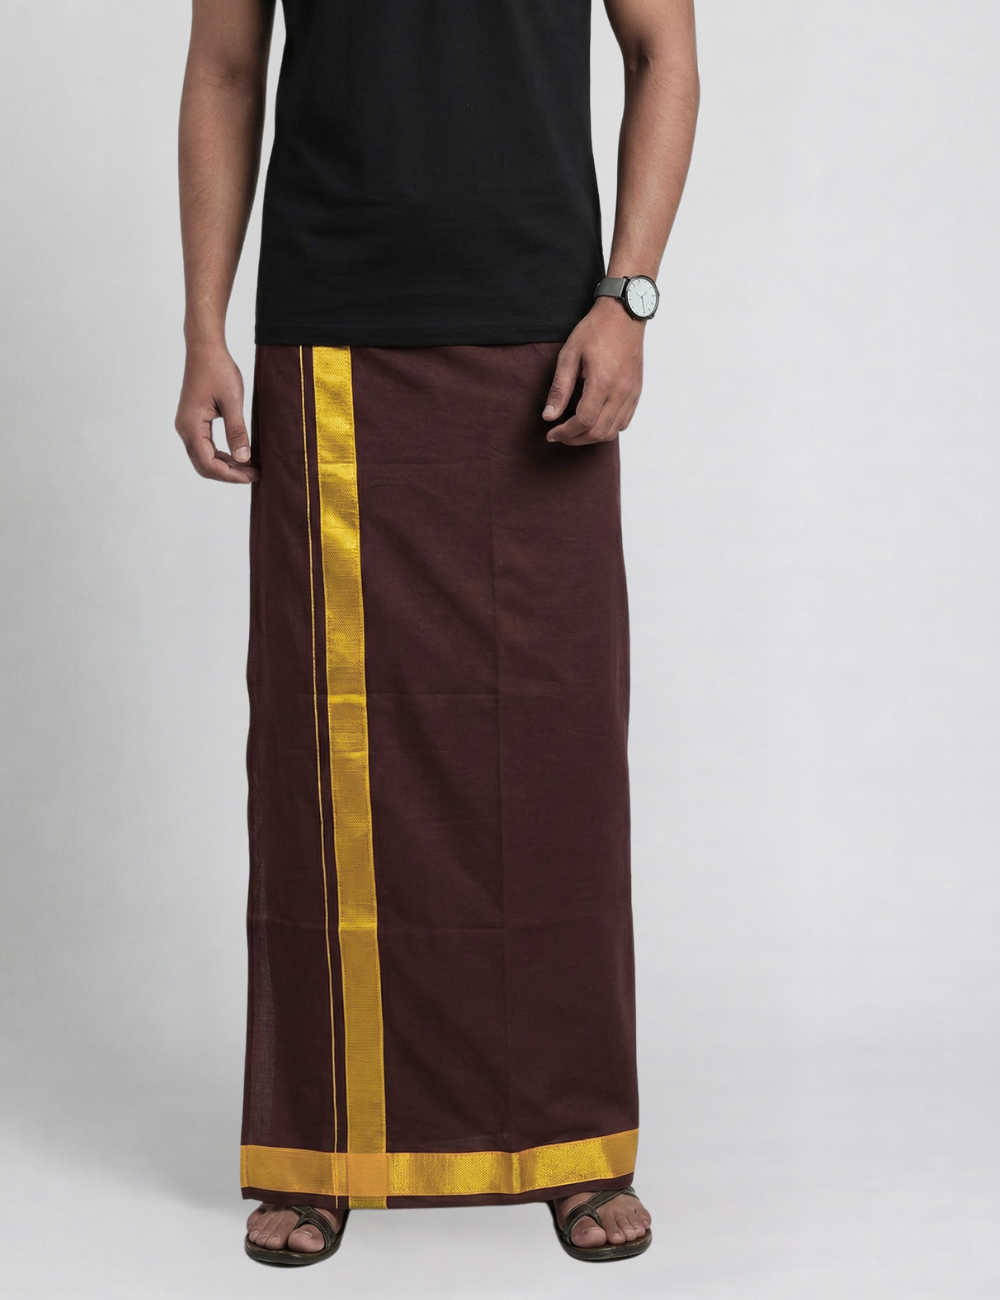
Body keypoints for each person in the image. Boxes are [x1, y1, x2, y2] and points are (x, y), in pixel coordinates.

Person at [175, 0, 698, 1266]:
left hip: (543, 332)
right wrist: (203, 329)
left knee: (552, 757)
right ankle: (323, 1145)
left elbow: (665, 55)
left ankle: (569, 1138)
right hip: (332, 328)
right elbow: (225, 70)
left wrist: (627, 298)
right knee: (326, 755)